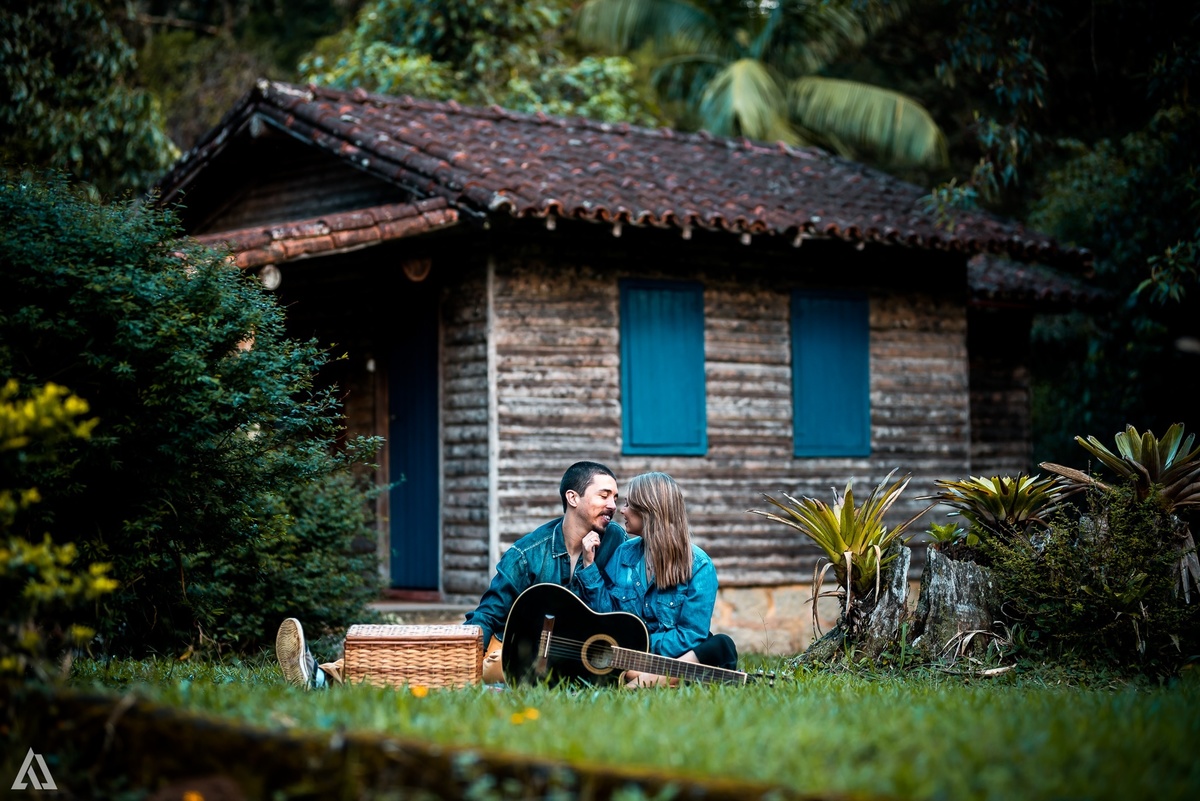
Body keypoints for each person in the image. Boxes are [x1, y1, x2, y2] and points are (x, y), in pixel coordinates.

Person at [276, 460, 628, 689]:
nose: (613, 504)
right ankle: (325, 675)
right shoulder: (526, 554)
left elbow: (616, 607)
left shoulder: (616, 541)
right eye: (604, 495)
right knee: (442, 663)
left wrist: (589, 567)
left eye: (615, 495)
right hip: (512, 647)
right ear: (572, 497)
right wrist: (461, 647)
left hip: (571, 658)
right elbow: (490, 613)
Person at [575, 471, 737, 688]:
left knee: (719, 645)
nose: (621, 510)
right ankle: (655, 679)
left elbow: (690, 636)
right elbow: (605, 615)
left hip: (660, 656)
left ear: (648, 511)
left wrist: (639, 644)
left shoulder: (699, 566)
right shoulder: (624, 554)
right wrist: (588, 565)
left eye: (629, 505)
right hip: (629, 657)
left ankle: (637, 681)